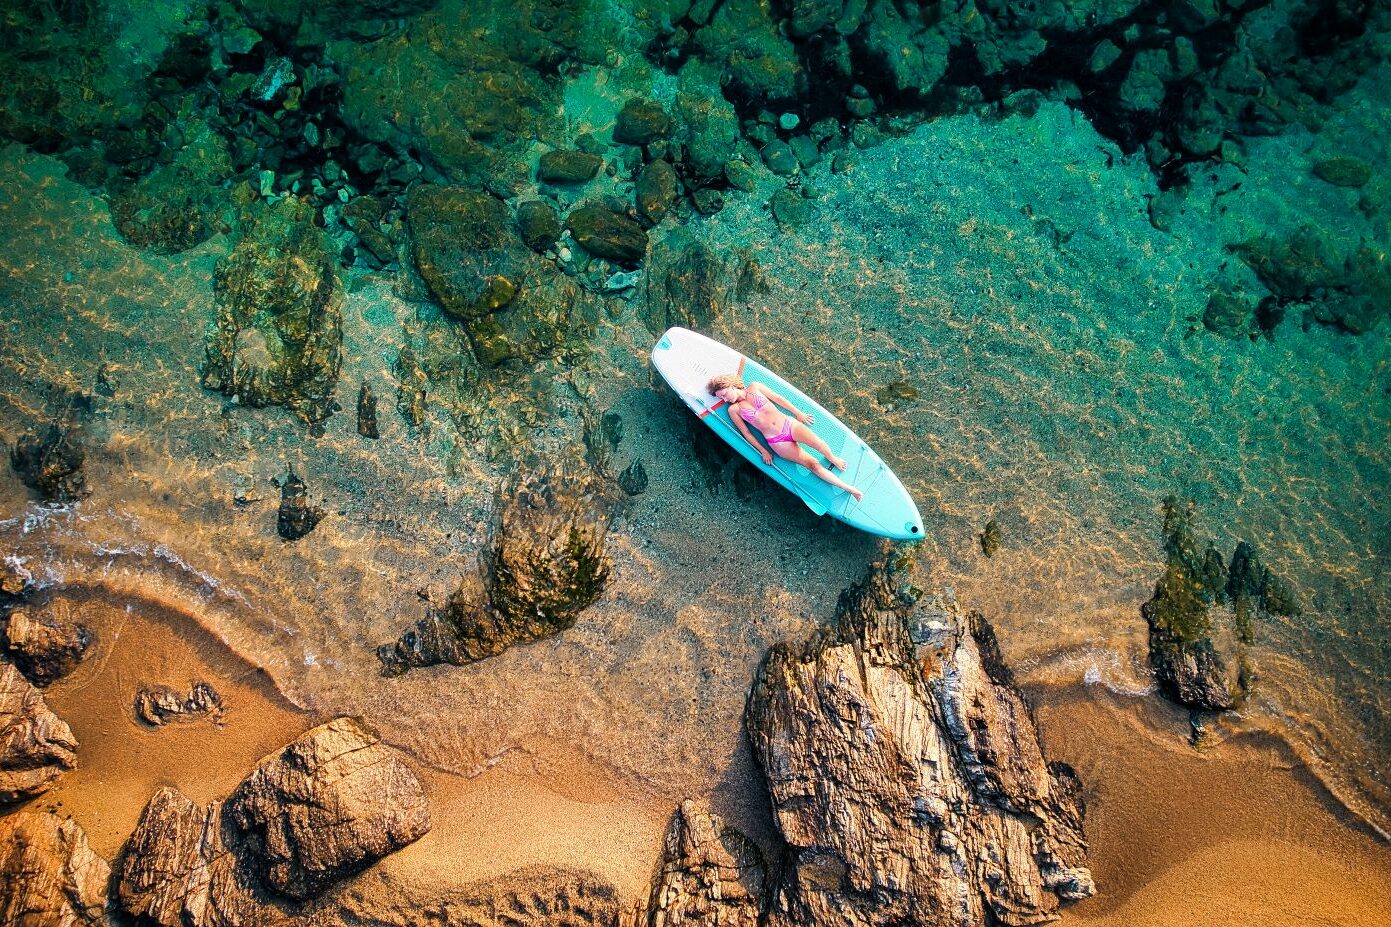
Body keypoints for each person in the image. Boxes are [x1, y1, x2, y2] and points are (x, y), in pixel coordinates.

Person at [706, 374, 863, 502]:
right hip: (777, 442)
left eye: (724, 395)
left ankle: (833, 458)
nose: (725, 400)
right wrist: (763, 451)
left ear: (731, 386)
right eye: (722, 398)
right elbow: (746, 433)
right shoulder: (734, 410)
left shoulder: (755, 386)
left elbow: (778, 399)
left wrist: (798, 413)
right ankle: (849, 489)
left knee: (819, 444)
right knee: (813, 465)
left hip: (789, 424)